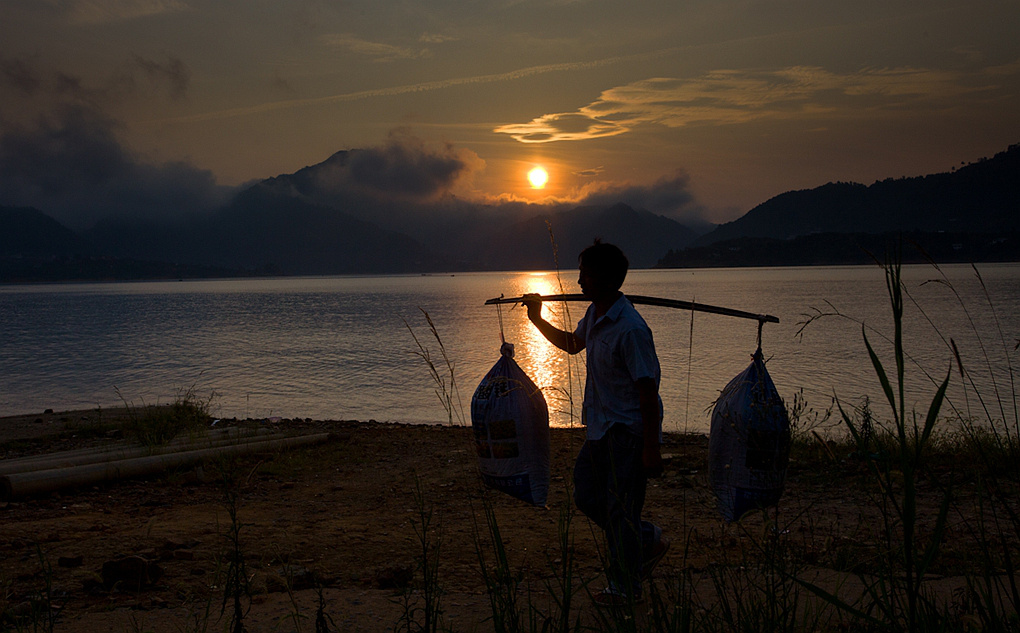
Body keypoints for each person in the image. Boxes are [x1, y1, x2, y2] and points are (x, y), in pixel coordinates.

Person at [522, 240, 669, 607]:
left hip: (629, 434)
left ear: (603, 278)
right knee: (587, 495)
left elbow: (648, 390)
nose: (579, 280)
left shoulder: (630, 329)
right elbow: (573, 344)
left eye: (585, 273)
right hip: (600, 428)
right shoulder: (596, 315)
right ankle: (644, 539)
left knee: (621, 509)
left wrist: (651, 448)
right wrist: (538, 319)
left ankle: (625, 587)